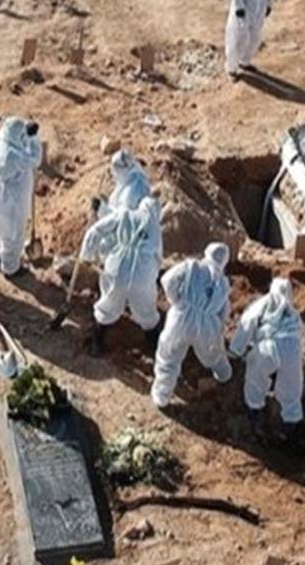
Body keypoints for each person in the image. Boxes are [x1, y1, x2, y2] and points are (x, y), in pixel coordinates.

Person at [150, 243, 234, 409]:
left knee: (168, 355)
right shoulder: (223, 283)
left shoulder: (191, 266)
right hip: (206, 324)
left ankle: (161, 396)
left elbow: (167, 280)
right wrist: (215, 325)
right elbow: (224, 312)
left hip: (181, 317)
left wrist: (177, 301)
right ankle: (225, 374)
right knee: (213, 353)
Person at [80, 195, 163, 354]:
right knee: (147, 312)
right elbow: (158, 258)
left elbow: (96, 230)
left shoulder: (125, 214)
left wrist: (87, 256)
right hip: (142, 274)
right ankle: (155, 349)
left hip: (117, 267)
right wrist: (151, 277)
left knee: (108, 304)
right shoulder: (155, 228)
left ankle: (96, 343)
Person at [229, 277, 304, 438]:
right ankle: (289, 428)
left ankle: (254, 412)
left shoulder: (264, 303)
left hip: (269, 346)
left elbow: (247, 322)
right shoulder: (293, 313)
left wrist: (236, 349)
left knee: (255, 375)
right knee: (291, 387)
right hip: (293, 349)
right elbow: (299, 334)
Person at [0, 117, 42, 276]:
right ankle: (11, 268)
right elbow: (35, 159)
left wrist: (26, 132)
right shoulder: (12, 156)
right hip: (8, 198)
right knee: (13, 234)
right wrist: (34, 138)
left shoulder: (1, 138)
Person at [93, 149, 151, 219]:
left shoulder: (132, 192)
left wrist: (101, 208)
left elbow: (121, 220)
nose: (113, 171)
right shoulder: (129, 180)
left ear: (122, 168)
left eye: (116, 168)